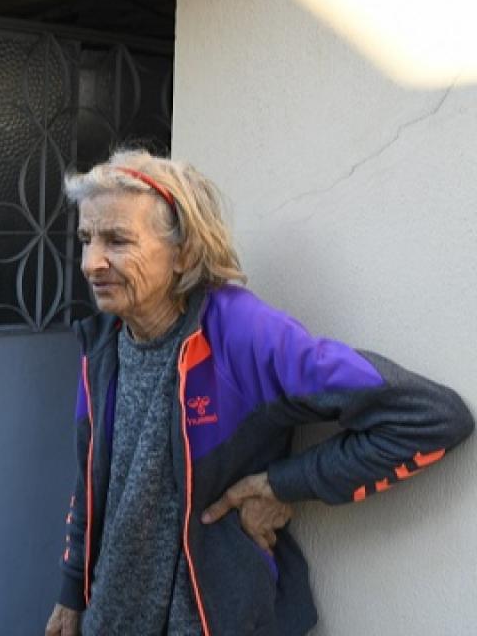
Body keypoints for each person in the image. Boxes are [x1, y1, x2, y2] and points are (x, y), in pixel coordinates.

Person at [44, 149, 472, 636]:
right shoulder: (100, 345)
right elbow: (90, 482)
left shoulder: (238, 332)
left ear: (183, 250)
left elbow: (432, 417)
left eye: (117, 240)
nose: (91, 262)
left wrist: (281, 484)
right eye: (86, 239)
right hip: (112, 617)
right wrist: (71, 594)